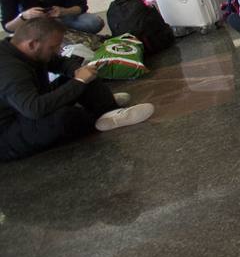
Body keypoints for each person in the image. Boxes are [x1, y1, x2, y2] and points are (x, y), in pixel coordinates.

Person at [0, 16, 154, 161]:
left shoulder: (25, 49)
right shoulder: (10, 70)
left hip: (26, 107)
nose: (57, 51)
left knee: (83, 75)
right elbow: (34, 109)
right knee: (65, 116)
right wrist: (79, 81)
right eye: (53, 47)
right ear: (32, 44)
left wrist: (80, 74)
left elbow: (61, 63)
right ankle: (98, 119)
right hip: (8, 133)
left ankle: (108, 109)